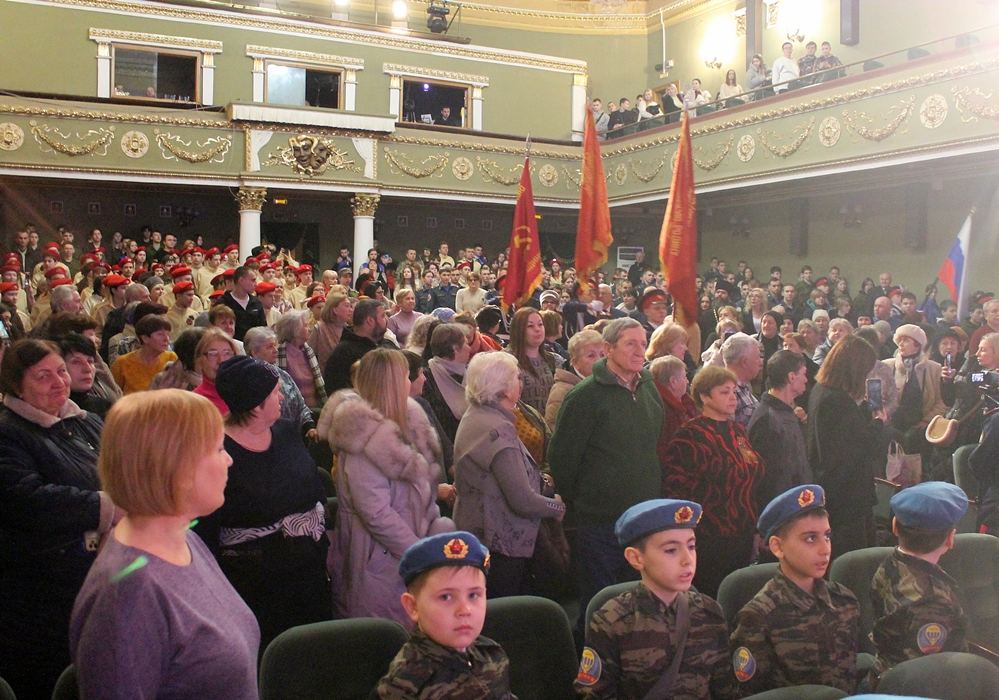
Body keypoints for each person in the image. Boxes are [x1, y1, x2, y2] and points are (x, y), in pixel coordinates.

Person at [69, 390, 259, 700]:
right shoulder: (128, 594)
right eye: (218, 448)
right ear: (175, 468)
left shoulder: (185, 537)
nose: (229, 459)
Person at [0, 339, 114, 700]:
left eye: (61, 371)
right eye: (42, 376)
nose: (58, 381)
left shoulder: (86, 421)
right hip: (45, 585)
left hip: (101, 569)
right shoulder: (9, 433)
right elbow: (27, 499)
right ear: (16, 385)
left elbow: (120, 470)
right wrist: (106, 507)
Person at [193, 357, 329, 652]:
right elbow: (206, 526)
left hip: (308, 570)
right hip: (254, 583)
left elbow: (312, 484)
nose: (282, 396)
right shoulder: (218, 450)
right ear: (255, 405)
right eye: (275, 392)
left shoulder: (285, 430)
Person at [319, 349, 454, 627]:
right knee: (386, 640)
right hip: (378, 560)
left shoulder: (406, 423)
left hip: (408, 550)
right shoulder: (361, 440)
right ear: (392, 384)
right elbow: (376, 513)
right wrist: (420, 553)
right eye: (406, 376)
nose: (412, 381)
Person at [549, 317, 664, 642]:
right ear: (609, 349)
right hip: (600, 522)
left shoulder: (648, 387)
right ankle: (587, 669)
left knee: (637, 601)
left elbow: (654, 439)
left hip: (642, 519)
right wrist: (586, 500)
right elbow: (563, 460)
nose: (640, 350)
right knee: (599, 605)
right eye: (631, 343)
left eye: (643, 343)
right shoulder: (584, 396)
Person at [575, 499, 735, 700]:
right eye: (671, 550)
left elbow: (725, 691)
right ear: (636, 558)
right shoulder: (613, 622)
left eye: (691, 546)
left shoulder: (709, 613)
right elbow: (593, 696)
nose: (687, 559)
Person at [453, 352, 566, 598]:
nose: (521, 383)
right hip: (501, 545)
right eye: (516, 378)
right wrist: (557, 507)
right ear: (502, 389)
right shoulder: (497, 428)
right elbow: (522, 500)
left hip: (482, 534)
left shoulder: (477, 414)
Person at [730, 484, 860, 695]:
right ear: (777, 547)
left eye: (827, 536)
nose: (825, 549)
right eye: (810, 538)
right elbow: (750, 695)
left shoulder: (843, 600)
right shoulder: (758, 617)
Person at [372, 531, 513, 699]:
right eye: (446, 597)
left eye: (473, 595)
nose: (465, 610)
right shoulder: (406, 684)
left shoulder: (492, 654)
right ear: (413, 607)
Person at [661, 365, 762, 598]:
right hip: (710, 538)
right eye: (724, 392)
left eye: (734, 392)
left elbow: (751, 478)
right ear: (704, 397)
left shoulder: (737, 431)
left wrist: (755, 529)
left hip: (743, 533)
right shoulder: (691, 435)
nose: (732, 398)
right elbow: (675, 492)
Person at [868, 482, 971, 690]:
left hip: (883, 677)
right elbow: (931, 676)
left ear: (895, 526)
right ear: (951, 539)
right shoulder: (931, 601)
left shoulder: (890, 564)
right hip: (911, 689)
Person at [807, 335, 886, 557]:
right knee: (854, 562)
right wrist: (879, 423)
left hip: (836, 493)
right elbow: (860, 449)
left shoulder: (822, 391)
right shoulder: (837, 401)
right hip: (846, 501)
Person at [747, 350, 810, 507]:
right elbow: (768, 481)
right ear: (791, 377)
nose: (806, 379)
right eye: (803, 374)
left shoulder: (783, 413)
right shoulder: (767, 420)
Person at [886, 324, 945, 471]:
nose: (901, 344)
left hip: (920, 424)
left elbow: (942, 402)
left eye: (906, 340)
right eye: (900, 340)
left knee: (914, 439)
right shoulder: (887, 366)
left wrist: (927, 420)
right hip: (892, 422)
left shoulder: (934, 368)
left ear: (918, 345)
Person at [244, 326, 317, 439]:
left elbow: (301, 405)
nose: (275, 350)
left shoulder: (282, 374)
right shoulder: (250, 381)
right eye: (269, 347)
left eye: (275, 345)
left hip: (296, 435)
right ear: (255, 352)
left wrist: (309, 426)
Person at [323, 299, 389, 392]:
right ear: (370, 320)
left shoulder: (385, 343)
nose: (387, 319)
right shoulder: (342, 355)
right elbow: (340, 395)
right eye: (383, 316)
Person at [422, 323, 471, 444]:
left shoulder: (471, 372)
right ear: (455, 349)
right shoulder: (425, 379)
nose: (469, 348)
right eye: (466, 343)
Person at [545, 329, 603, 430]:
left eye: (602, 355)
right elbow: (555, 430)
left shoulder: (604, 384)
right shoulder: (562, 391)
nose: (599, 360)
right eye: (591, 355)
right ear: (575, 362)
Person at [110, 314, 177, 395]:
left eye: (168, 334)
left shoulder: (172, 359)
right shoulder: (122, 363)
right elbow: (113, 395)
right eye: (160, 334)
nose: (166, 339)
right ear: (145, 338)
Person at [273, 310, 326, 410]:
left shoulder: (308, 351)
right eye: (305, 326)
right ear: (295, 331)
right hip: (295, 410)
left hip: (316, 405)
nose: (309, 329)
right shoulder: (280, 354)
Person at [650, 355, 698, 465]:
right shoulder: (663, 410)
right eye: (685, 377)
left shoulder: (685, 402)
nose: (687, 381)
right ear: (673, 382)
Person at [507, 307, 556, 414]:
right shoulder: (506, 360)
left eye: (540, 324)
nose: (537, 329)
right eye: (530, 326)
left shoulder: (553, 359)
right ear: (519, 330)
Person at [58, 332, 113, 419]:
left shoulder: (103, 407)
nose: (87, 369)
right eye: (76, 362)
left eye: (90, 361)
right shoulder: (54, 411)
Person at [722, 332, 764, 429]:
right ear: (744, 362)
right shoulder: (727, 393)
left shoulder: (743, 386)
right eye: (757, 357)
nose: (761, 362)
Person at [192, 328, 238, 415]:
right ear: (200, 361)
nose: (221, 361)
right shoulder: (193, 403)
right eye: (213, 354)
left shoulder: (247, 395)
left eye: (227, 353)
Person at [308, 292, 351, 368]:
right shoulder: (319, 329)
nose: (350, 310)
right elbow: (308, 356)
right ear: (335, 310)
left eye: (350, 306)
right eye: (347, 306)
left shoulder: (348, 329)